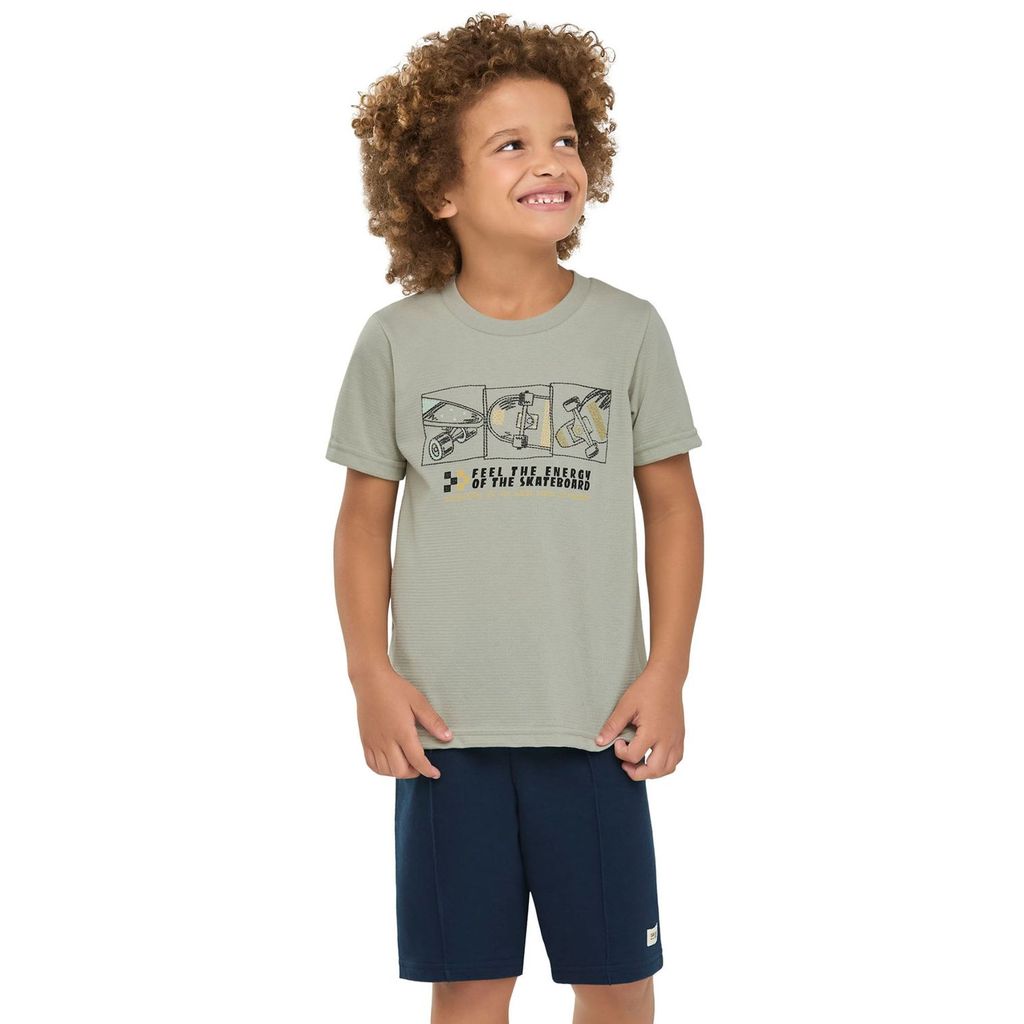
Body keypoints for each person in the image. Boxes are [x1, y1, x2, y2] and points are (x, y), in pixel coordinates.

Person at [325, 14, 704, 1024]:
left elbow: (672, 506)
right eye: (511, 143)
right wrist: (369, 674)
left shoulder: (628, 330)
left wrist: (667, 671)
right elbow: (362, 522)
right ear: (437, 189)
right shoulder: (395, 343)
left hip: (596, 728)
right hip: (444, 737)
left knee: (616, 981)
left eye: (566, 137)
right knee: (469, 984)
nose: (551, 160)